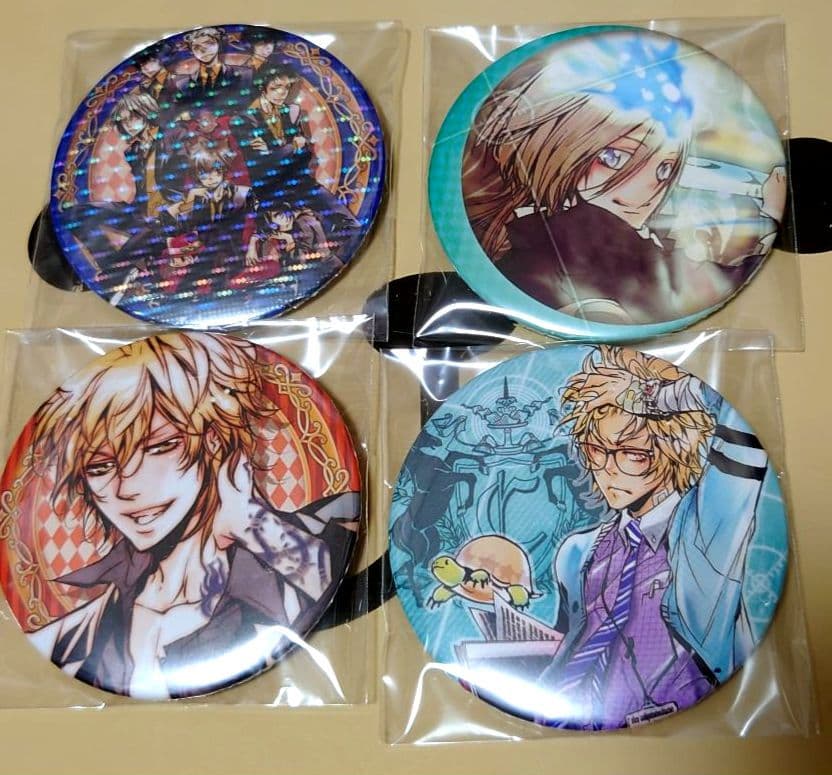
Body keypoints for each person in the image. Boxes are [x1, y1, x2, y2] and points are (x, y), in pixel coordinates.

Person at [27, 333, 359, 699]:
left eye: (160, 446)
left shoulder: (307, 541)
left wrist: (248, 520)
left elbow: (331, 579)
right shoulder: (73, 637)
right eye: (100, 466)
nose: (127, 488)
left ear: (214, 440)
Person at [463, 32, 786, 324]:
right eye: (613, 158)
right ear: (557, 144)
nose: (640, 196)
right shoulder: (569, 236)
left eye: (664, 171)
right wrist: (769, 216)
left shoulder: (541, 237)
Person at [539, 346, 768, 729]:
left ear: (674, 450)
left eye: (632, 454)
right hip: (565, 722)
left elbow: (738, 438)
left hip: (683, 720)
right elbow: (572, 642)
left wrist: (657, 394)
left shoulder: (704, 538)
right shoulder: (577, 553)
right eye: (596, 450)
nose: (608, 469)